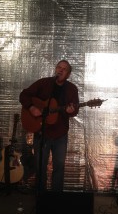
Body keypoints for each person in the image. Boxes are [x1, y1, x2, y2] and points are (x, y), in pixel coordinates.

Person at [19, 60, 79, 192]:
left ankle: (55, 199)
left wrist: (72, 110)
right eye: (59, 67)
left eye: (64, 69)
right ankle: (41, 198)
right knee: (40, 166)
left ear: (68, 74)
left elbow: (74, 109)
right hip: (42, 132)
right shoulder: (44, 83)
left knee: (59, 166)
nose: (61, 70)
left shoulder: (72, 89)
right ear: (55, 69)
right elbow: (24, 95)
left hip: (60, 134)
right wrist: (31, 107)